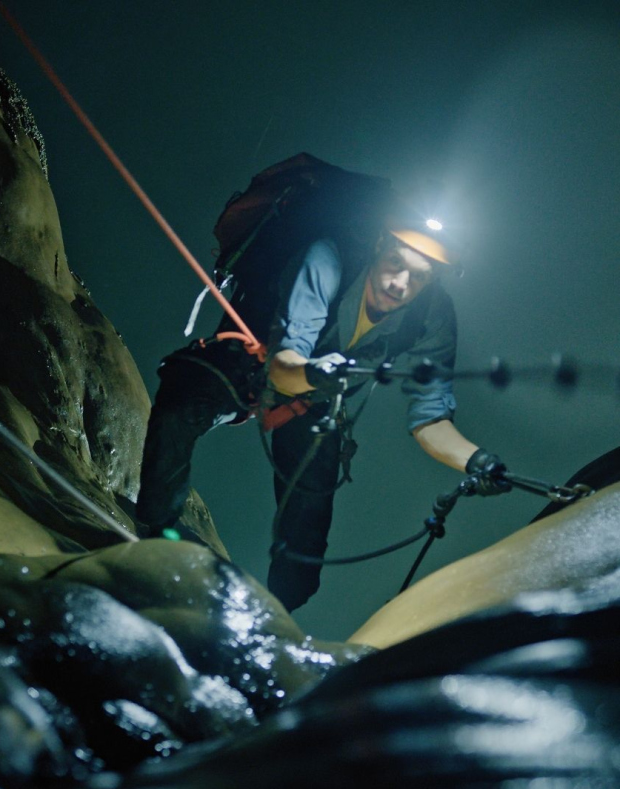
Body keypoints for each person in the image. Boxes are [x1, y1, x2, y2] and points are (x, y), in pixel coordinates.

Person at [136, 178, 508, 612]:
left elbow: (429, 421)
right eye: (395, 263)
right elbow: (283, 366)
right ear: (378, 246)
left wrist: (475, 460)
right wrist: (314, 372)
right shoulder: (326, 259)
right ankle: (153, 531)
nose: (400, 283)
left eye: (420, 276)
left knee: (308, 526)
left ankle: (275, 616)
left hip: (311, 402)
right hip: (255, 363)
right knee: (182, 401)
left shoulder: (433, 317)